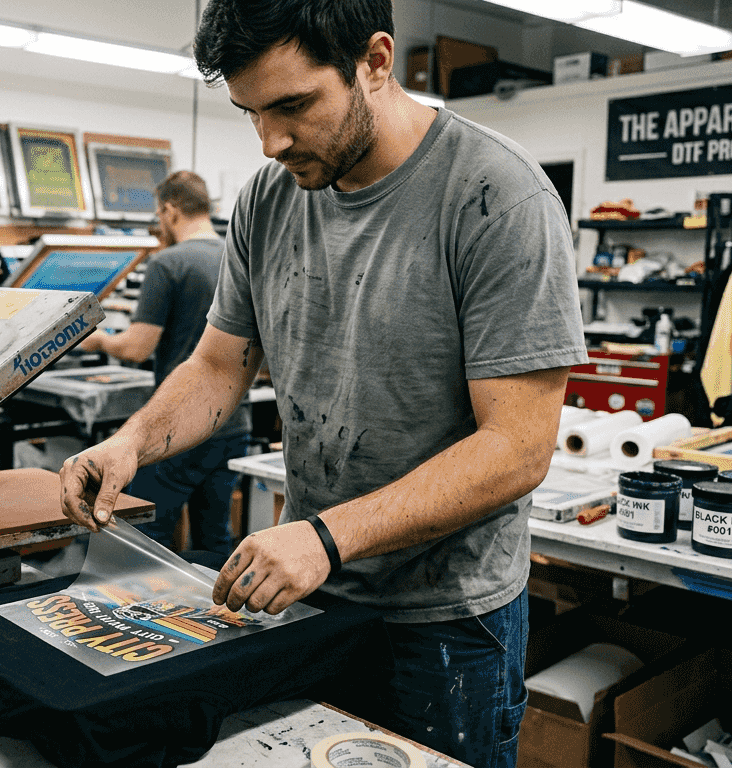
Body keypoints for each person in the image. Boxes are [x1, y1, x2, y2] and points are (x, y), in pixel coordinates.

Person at [59, 0, 586, 764]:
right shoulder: (271, 201)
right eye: (250, 113)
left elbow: (517, 446)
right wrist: (131, 444)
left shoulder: (497, 196)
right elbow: (216, 365)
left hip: (443, 620)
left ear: (374, 62)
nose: (272, 141)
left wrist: (326, 538)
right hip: (308, 593)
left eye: (293, 105)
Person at [79, 171, 250, 556]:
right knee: (216, 541)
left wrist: (97, 340)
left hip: (181, 427)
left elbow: (138, 347)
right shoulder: (237, 256)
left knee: (147, 541)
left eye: (159, 216)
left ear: (170, 211)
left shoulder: (168, 263)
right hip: (234, 423)